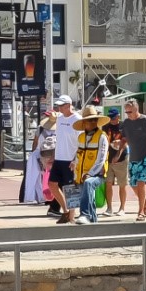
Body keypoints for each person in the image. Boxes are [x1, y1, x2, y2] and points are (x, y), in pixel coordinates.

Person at [68, 106, 110, 224]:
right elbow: (78, 155)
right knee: (88, 199)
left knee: (88, 183)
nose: (93, 122)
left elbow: (101, 159)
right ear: (84, 122)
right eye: (90, 120)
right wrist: (74, 166)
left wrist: (90, 174)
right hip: (81, 175)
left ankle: (84, 214)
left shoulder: (102, 137)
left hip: (97, 174)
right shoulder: (81, 137)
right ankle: (93, 222)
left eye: (94, 120)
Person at [48, 94, 83, 224]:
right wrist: (53, 155)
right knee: (52, 184)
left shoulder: (77, 119)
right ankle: (66, 211)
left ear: (68, 105)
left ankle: (72, 217)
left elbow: (81, 142)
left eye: (61, 105)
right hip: (59, 158)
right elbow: (59, 138)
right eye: (58, 105)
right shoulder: (60, 119)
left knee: (70, 188)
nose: (59, 108)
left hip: (70, 159)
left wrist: (76, 159)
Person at [23, 111, 56, 205]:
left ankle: (32, 197)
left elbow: (35, 142)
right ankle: (46, 197)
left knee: (33, 177)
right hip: (53, 155)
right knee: (48, 177)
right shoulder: (59, 129)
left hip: (39, 154)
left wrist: (33, 153)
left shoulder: (40, 128)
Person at [102, 108, 128, 216]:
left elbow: (127, 141)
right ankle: (109, 208)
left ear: (118, 116)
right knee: (108, 183)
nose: (112, 120)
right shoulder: (105, 127)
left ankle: (122, 208)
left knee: (122, 184)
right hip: (108, 159)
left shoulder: (123, 126)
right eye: (110, 118)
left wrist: (120, 146)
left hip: (121, 160)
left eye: (113, 118)